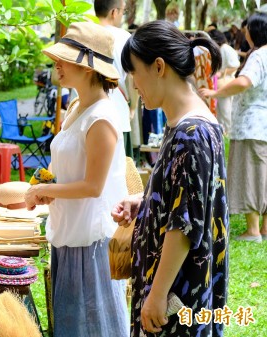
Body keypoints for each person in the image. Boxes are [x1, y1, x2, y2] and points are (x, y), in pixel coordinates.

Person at [113, 20, 228, 337]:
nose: (134, 83)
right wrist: (145, 201)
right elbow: (189, 199)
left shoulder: (189, 135)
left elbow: (184, 226)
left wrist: (157, 294)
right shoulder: (193, 122)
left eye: (135, 71)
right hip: (185, 289)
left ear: (159, 67)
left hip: (177, 296)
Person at [24, 21, 129, 337]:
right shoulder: (76, 106)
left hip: (91, 244)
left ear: (88, 68)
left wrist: (45, 189)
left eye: (65, 58)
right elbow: (71, 169)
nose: (56, 63)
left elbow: (93, 186)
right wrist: (44, 188)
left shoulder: (101, 117)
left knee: (95, 328)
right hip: (68, 234)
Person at [200, 13, 267, 243]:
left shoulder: (259, 55)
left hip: (253, 126)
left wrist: (215, 93)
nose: (244, 33)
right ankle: (265, 227)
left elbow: (244, 82)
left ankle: (253, 230)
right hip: (263, 126)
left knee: (251, 174)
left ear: (254, 31)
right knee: (264, 175)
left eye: (247, 29)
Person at [95, 0, 139, 158]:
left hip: (83, 109)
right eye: (123, 11)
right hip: (117, 111)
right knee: (121, 173)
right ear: (114, 12)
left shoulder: (83, 33)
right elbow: (134, 77)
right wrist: (133, 107)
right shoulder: (124, 38)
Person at [208, 29, 240, 135]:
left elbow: (235, 65)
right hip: (221, 82)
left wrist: (222, 73)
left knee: (226, 110)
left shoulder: (226, 49)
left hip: (225, 82)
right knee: (221, 110)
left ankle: (228, 132)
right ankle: (223, 133)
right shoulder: (222, 48)